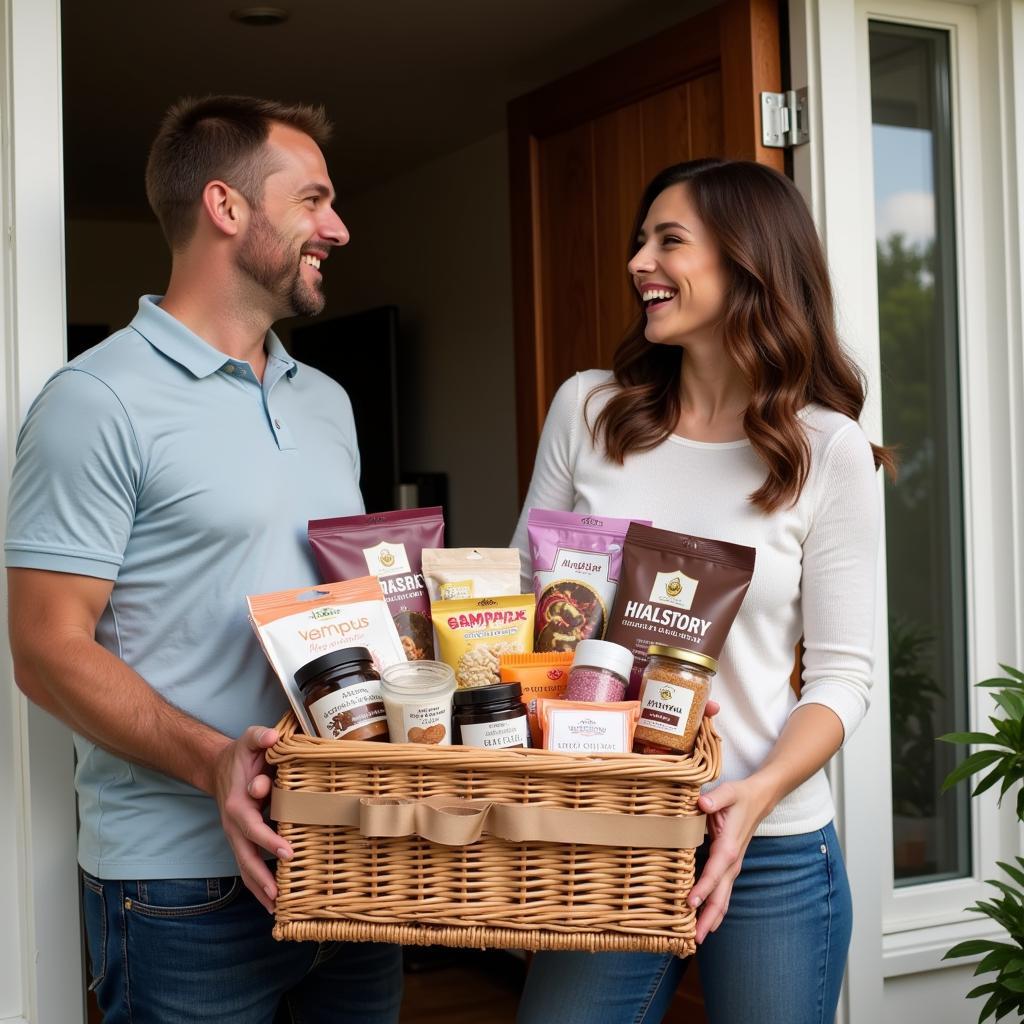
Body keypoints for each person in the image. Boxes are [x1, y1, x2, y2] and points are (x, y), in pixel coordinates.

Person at [5, 96, 403, 1023]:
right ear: (226, 208)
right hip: (180, 890)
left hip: (344, 866)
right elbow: (44, 650)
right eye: (314, 200)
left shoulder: (328, 401)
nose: (337, 228)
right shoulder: (94, 400)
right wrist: (215, 763)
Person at [511, 158, 890, 1024]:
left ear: (748, 260)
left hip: (771, 846)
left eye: (668, 240)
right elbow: (528, 603)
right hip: (608, 831)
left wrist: (753, 800)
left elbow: (843, 678)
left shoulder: (825, 449)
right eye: (640, 240)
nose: (640, 261)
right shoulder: (588, 412)